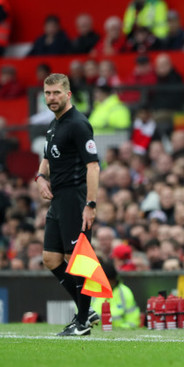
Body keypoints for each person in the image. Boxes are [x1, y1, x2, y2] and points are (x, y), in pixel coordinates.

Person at [35, 73, 100, 336]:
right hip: (58, 200)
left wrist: (90, 203)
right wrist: (40, 177)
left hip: (75, 198)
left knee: (79, 260)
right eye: (48, 93)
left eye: (56, 93)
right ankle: (85, 311)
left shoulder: (78, 124)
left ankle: (82, 323)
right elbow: (47, 159)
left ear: (68, 94)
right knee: (50, 258)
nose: (52, 98)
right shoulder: (54, 125)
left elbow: (93, 166)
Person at [91, 260, 140, 329]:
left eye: (109, 281)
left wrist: (121, 329)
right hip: (96, 331)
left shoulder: (125, 292)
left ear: (114, 279)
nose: (107, 284)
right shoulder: (92, 290)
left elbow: (132, 320)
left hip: (121, 331)